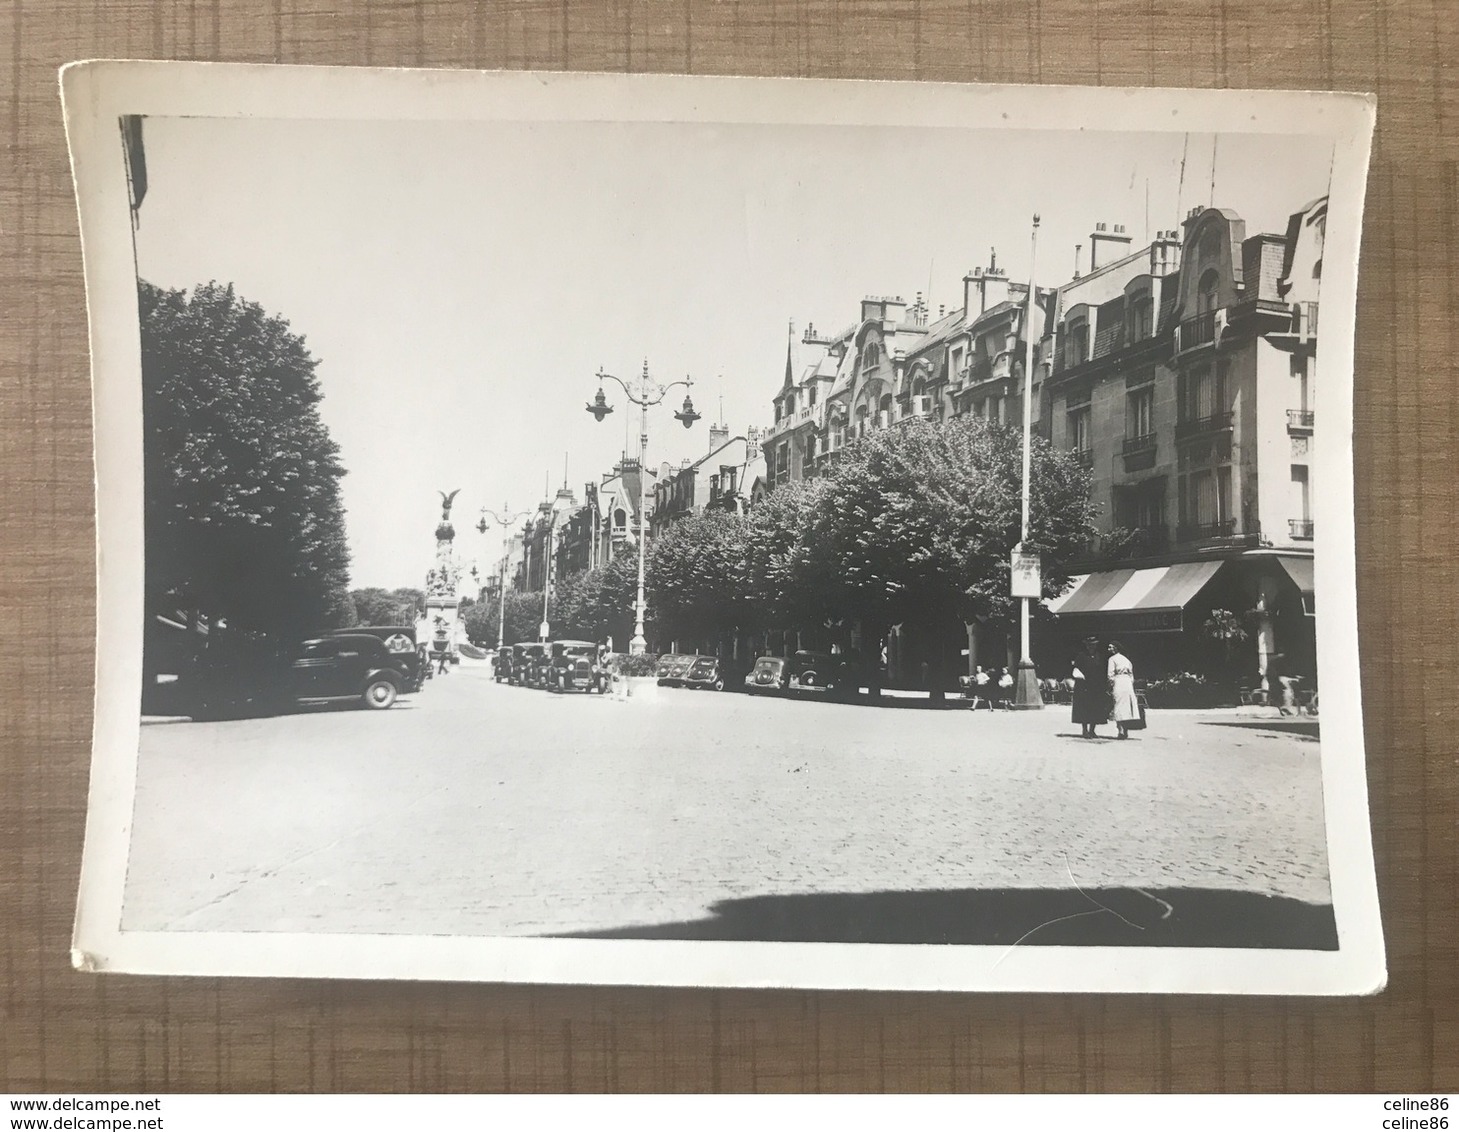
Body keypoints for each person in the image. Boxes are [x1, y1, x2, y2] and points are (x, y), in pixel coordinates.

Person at [1071, 637, 1108, 738]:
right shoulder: (1081, 656)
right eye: (1089, 645)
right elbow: (1075, 669)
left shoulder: (1099, 656)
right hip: (1084, 686)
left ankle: (1092, 730)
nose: (1091, 647)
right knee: (1084, 708)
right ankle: (1084, 730)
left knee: (1095, 708)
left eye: (1093, 645)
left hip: (1096, 686)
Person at [1107, 640, 1140, 739]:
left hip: (1119, 682)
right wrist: (1130, 683)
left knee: (1118, 705)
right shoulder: (1126, 659)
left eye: (1110, 647)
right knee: (1126, 707)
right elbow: (1131, 675)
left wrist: (1111, 685)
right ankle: (1125, 729)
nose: (1109, 649)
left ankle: (1121, 730)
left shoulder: (1112, 659)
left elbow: (1110, 674)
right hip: (1127, 683)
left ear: (1116, 648)